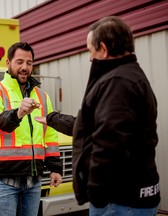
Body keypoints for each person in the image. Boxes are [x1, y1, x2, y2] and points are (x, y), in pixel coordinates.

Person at [35, 16, 160, 216]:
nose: (90, 57)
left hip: (119, 201)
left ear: (103, 48)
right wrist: (52, 119)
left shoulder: (118, 82)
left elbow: (109, 142)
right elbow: (91, 127)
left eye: (90, 50)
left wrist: (95, 192)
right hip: (126, 199)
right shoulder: (128, 76)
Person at [0, 42, 62, 216]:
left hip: (33, 180)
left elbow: (50, 134)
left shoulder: (41, 95)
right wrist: (17, 113)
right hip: (3, 180)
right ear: (8, 63)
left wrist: (55, 168)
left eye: (29, 63)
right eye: (19, 62)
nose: (25, 67)